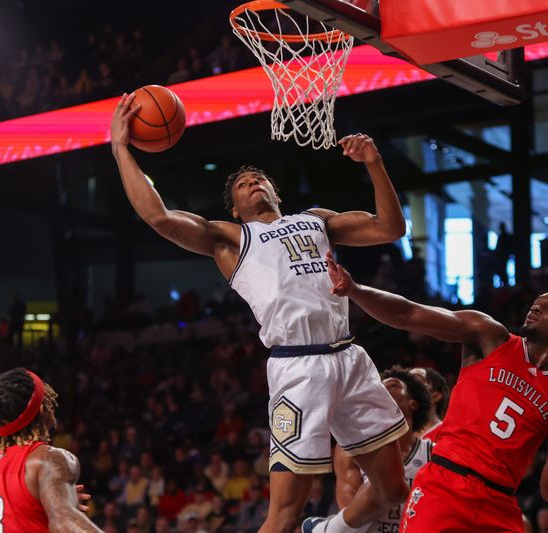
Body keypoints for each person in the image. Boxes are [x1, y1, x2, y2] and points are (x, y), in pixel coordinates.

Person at [111, 93, 409, 533]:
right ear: (234, 206)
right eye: (242, 183)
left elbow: (391, 227)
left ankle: (327, 530)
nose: (253, 181)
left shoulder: (316, 220)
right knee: (285, 513)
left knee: (394, 489)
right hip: (299, 367)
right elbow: (159, 216)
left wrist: (374, 163)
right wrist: (121, 148)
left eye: (259, 177)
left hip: (350, 356)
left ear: (276, 191)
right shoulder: (231, 238)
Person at [324, 253, 548, 532]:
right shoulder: (489, 336)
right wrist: (355, 290)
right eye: (535, 304)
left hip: (499, 503)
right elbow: (409, 314)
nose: (535, 308)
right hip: (444, 484)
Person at [0, 367, 102, 532]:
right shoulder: (46, 458)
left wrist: (48, 502)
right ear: (43, 409)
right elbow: (65, 524)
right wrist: (66, 513)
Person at [323, 366, 433, 533]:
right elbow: (351, 517)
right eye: (380, 386)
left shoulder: (434, 453)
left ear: (413, 404)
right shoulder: (350, 448)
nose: (383, 389)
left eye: (394, 385)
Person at [407, 367, 449, 441]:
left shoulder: (447, 433)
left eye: (417, 382)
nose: (409, 388)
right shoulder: (398, 434)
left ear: (436, 396)